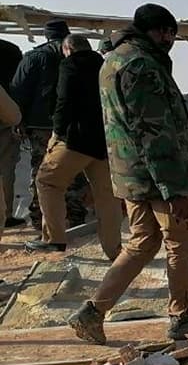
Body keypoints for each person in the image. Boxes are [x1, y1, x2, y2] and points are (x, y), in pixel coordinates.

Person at [67, 3, 188, 344]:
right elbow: (154, 132)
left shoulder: (114, 60)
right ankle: (182, 317)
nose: (170, 41)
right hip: (156, 176)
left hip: (130, 174)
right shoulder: (141, 66)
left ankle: (92, 312)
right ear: (162, 32)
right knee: (181, 243)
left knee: (142, 243)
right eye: (170, 34)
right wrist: (174, 188)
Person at [27, 35, 123, 256]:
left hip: (77, 140)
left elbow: (64, 101)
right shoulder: (105, 65)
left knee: (47, 181)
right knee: (107, 197)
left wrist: (57, 134)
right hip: (104, 141)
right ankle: (115, 250)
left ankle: (54, 239)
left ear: (67, 49)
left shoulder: (70, 65)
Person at [10, 19, 89, 229]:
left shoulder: (34, 57)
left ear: (46, 35)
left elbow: (19, 90)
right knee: (73, 171)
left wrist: (19, 121)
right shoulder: (82, 55)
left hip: (41, 126)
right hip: (76, 125)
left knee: (41, 172)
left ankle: (40, 221)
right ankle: (75, 218)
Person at [0, 39, 23, 228]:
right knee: (6, 168)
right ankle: (6, 214)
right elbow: (19, 84)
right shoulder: (11, 50)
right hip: (5, 117)